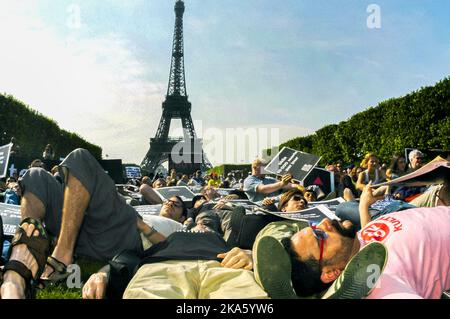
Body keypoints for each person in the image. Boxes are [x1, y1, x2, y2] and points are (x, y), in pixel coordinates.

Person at [0, 148, 185, 299]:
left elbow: (171, 248)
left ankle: (61, 254)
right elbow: (144, 189)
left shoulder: (179, 227)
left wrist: (143, 226)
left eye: (176, 204)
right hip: (78, 229)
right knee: (35, 175)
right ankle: (22, 258)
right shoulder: (151, 203)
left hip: (123, 232)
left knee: (80, 156)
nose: (169, 203)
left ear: (183, 217)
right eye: (168, 201)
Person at [266, 181, 450, 299]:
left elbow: (371, 238)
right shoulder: (376, 282)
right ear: (331, 273)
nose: (323, 223)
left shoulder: (356, 242)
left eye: (315, 227)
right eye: (320, 236)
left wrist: (363, 205)